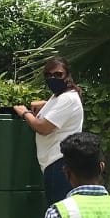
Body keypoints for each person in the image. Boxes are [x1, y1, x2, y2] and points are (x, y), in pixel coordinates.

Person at [13, 55, 84, 206]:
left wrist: (24, 112)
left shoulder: (67, 98)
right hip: (54, 162)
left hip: (60, 162)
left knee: (59, 211)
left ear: (67, 75)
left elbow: (43, 127)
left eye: (58, 74)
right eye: (48, 75)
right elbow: (59, 111)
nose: (53, 78)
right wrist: (45, 104)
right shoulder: (60, 97)